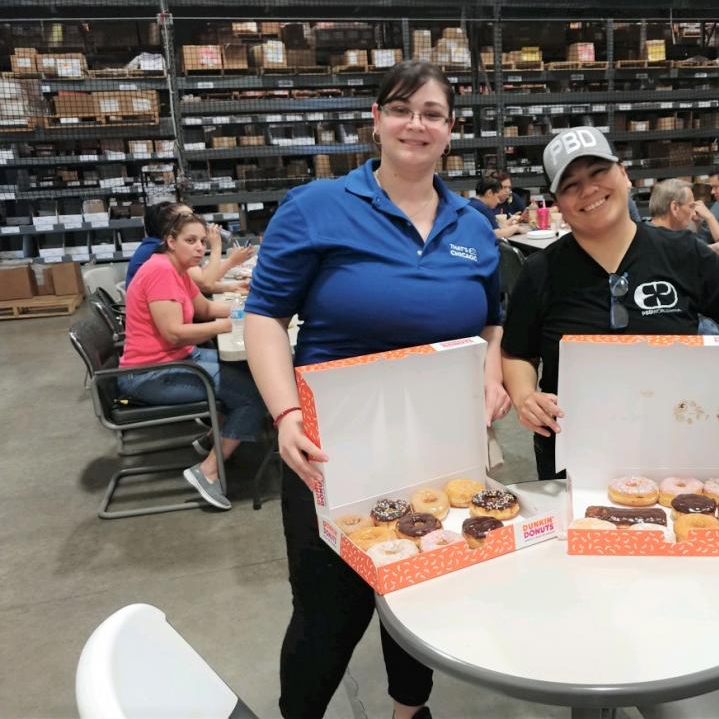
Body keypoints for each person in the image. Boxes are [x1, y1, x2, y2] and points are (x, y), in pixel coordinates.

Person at [242, 61, 510, 719]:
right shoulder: (318, 207)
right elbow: (263, 316)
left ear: (451, 129)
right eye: (401, 108)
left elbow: (493, 320)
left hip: (437, 446)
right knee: (329, 611)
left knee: (421, 583)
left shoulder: (473, 226)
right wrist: (283, 414)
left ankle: (406, 709)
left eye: (432, 113)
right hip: (333, 447)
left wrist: (492, 372)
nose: (416, 124)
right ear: (376, 119)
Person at [501, 127, 719, 480]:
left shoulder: (681, 253)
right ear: (558, 203)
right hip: (575, 456)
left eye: (598, 173)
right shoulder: (540, 272)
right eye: (570, 185)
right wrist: (524, 395)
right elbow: (518, 351)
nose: (588, 190)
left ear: (623, 175)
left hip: (675, 448)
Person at [118, 211, 267, 510]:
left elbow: (206, 311)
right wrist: (228, 326)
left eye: (202, 241)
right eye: (191, 240)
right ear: (170, 241)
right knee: (252, 396)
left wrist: (257, 306)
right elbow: (174, 333)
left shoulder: (178, 270)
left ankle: (215, 437)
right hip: (151, 373)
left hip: (178, 359)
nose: (200, 247)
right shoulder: (160, 272)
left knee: (246, 370)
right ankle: (207, 471)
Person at [125, 201, 254, 293]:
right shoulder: (159, 253)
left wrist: (233, 286)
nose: (194, 220)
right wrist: (223, 253)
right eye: (186, 217)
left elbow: (198, 287)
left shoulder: (165, 247)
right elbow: (206, 282)